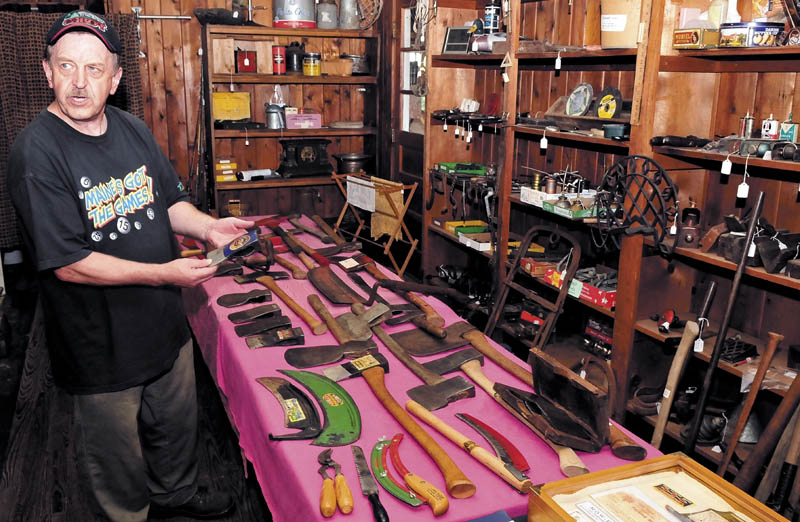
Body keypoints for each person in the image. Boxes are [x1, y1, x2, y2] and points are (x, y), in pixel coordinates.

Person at [7, 10, 252, 521]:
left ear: (116, 79)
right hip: (101, 347)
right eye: (67, 66)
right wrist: (165, 272)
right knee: (115, 464)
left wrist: (207, 228)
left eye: (94, 69)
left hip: (164, 325)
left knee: (176, 430)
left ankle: (177, 496)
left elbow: (167, 202)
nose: (79, 83)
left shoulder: (132, 128)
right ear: (47, 71)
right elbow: (69, 263)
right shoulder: (36, 151)